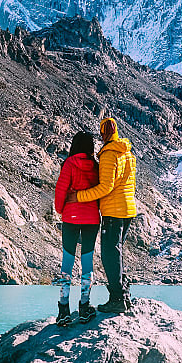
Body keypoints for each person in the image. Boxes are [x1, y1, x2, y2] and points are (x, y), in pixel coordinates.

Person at [66, 117, 137, 314]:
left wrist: (78, 197)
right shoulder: (128, 153)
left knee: (109, 254)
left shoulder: (108, 154)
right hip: (128, 209)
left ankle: (117, 299)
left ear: (103, 133)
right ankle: (124, 295)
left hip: (113, 211)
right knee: (117, 252)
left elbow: (106, 187)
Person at [53, 131, 101, 326]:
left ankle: (64, 309)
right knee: (87, 262)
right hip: (91, 218)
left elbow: (60, 189)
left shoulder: (69, 163)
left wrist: (60, 209)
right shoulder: (96, 166)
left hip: (71, 217)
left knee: (67, 260)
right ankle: (84, 307)